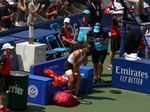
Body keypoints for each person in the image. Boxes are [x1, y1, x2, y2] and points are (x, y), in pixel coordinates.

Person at [0, 43, 14, 112]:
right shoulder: (3, 57)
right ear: (6, 49)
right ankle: (0, 108)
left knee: (4, 92)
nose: (11, 50)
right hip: (3, 77)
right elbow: (0, 68)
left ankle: (2, 106)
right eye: (9, 49)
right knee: (1, 93)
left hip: (6, 76)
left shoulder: (7, 57)